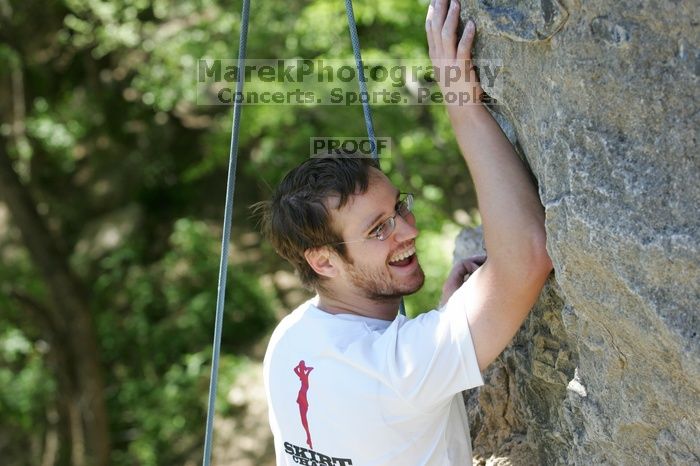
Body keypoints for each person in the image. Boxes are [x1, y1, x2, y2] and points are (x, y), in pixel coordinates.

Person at [258, 0, 553, 463]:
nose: (408, 230)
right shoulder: (401, 371)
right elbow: (528, 257)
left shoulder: (289, 341)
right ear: (322, 260)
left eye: (399, 208)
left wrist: (444, 320)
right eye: (378, 229)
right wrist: (463, 108)